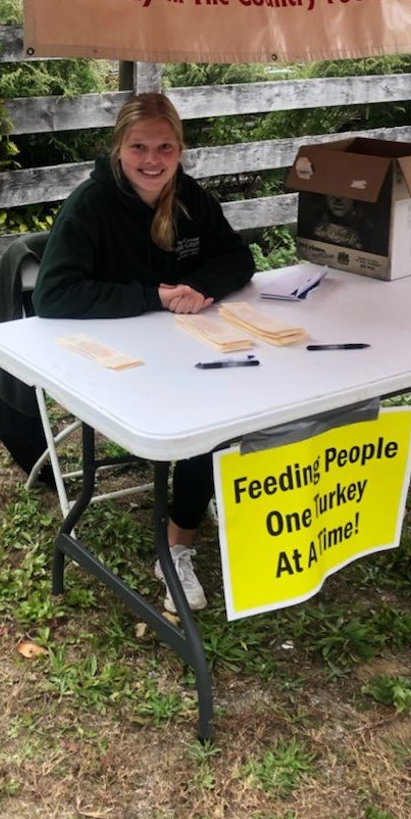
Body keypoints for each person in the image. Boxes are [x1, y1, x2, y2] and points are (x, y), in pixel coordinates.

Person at [32, 93, 256, 613]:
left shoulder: (189, 198)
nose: (151, 160)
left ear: (179, 150)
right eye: (138, 147)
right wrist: (152, 297)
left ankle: (202, 517)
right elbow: (53, 295)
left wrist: (199, 285)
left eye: (165, 147)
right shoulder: (89, 206)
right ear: (118, 148)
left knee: (232, 401)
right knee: (207, 416)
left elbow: (237, 257)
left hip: (180, 346)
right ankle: (175, 552)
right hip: (113, 363)